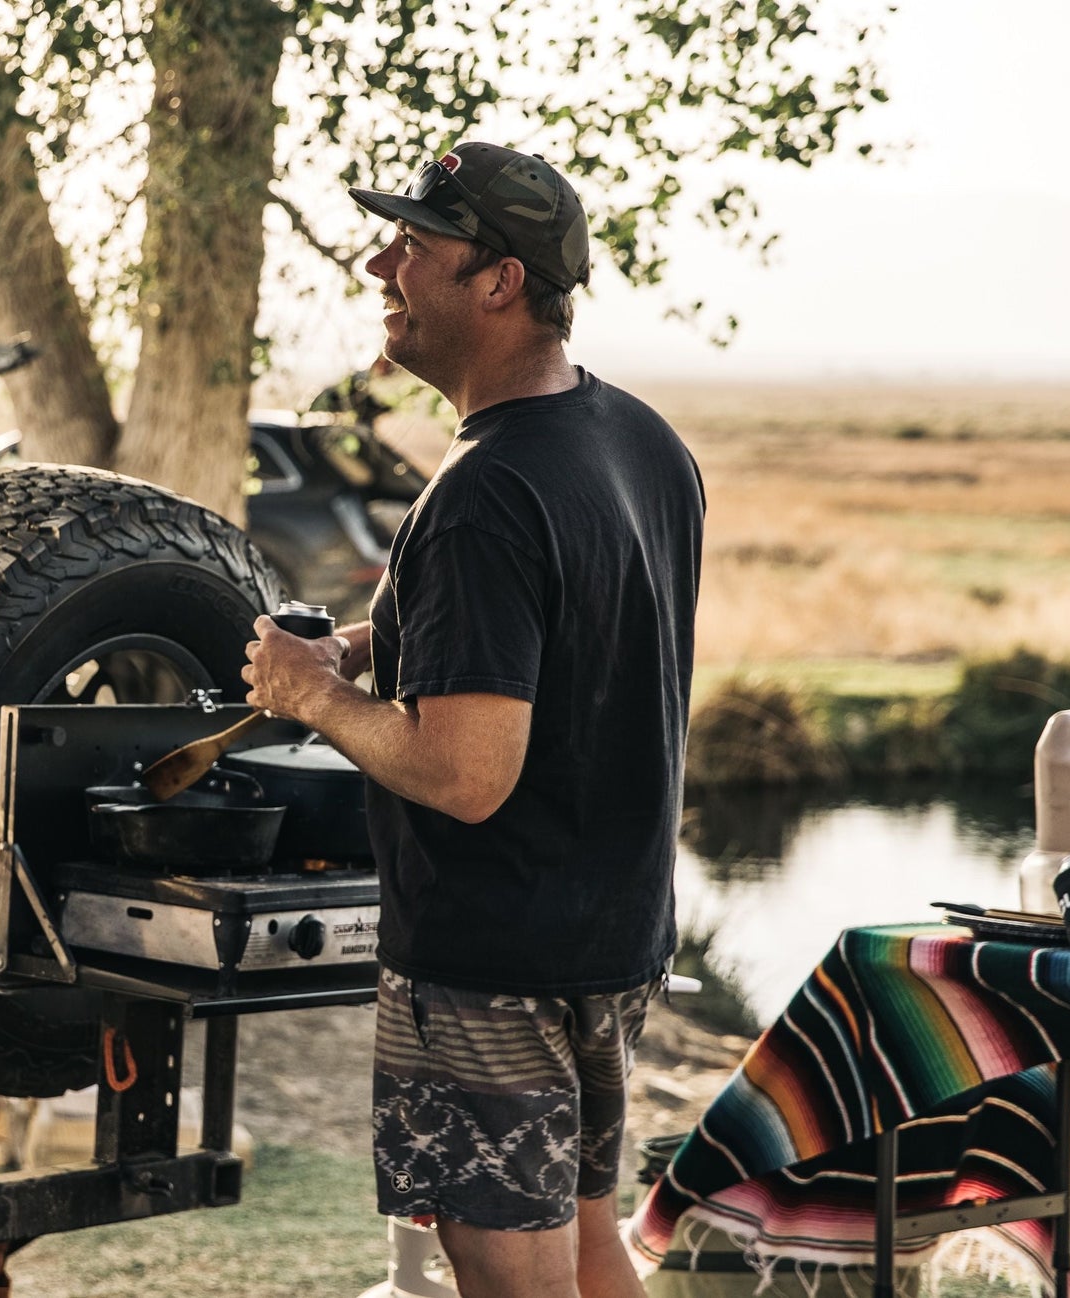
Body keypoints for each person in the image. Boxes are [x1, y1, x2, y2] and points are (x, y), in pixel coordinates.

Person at [242, 141, 704, 1298]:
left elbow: (463, 772)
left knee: (513, 1275)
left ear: (497, 281)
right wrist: (367, 645)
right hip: (612, 936)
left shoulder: (481, 491)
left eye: (413, 244)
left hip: (493, 962)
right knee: (589, 1243)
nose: (379, 264)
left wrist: (312, 695)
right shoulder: (637, 438)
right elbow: (566, 627)